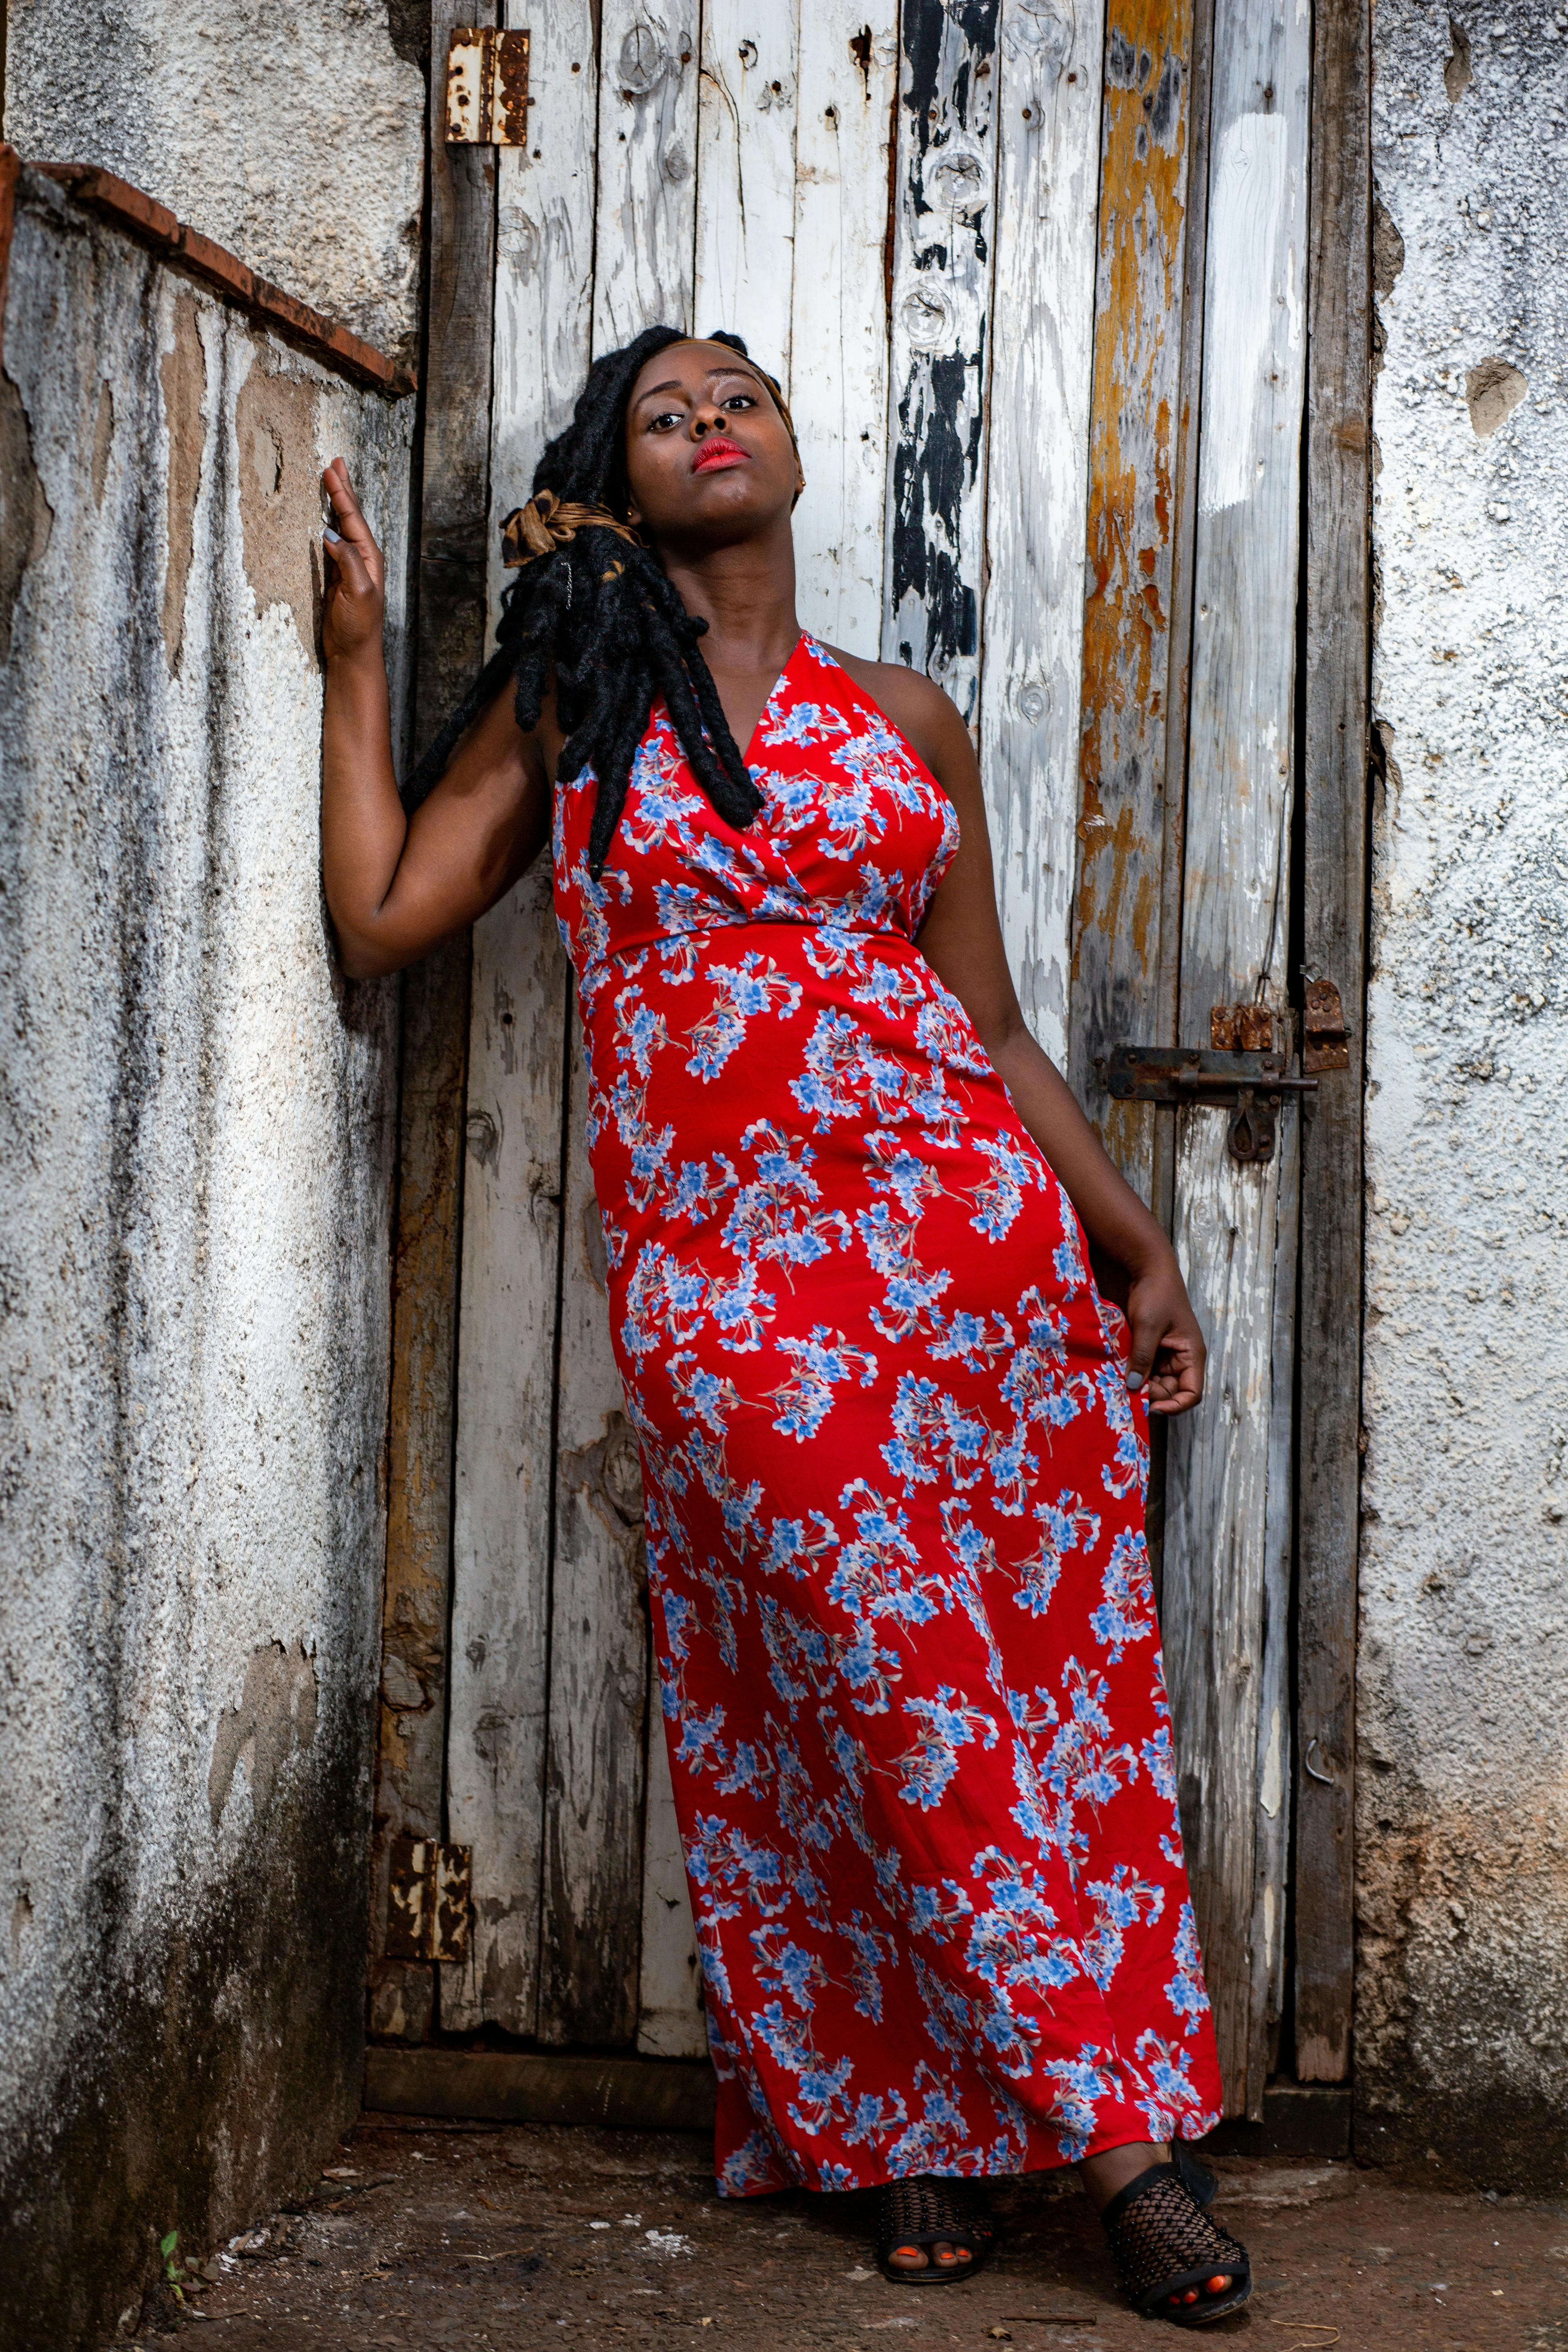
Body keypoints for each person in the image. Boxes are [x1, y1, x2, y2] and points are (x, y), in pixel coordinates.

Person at [318, 324, 1250, 2326]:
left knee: (1011, 1693)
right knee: (871, 1674)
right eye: (664, 413)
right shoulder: (584, 702)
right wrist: (355, 670)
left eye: (735, 396)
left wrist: (1131, 1243)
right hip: (736, 1298)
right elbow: (388, 913)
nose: (709, 423)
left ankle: (920, 2123)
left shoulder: (901, 716)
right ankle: (1118, 2147)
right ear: (620, 475)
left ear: (795, 449)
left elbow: (988, 1028)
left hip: (975, 1271)